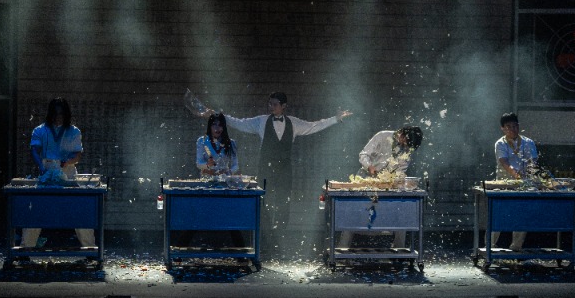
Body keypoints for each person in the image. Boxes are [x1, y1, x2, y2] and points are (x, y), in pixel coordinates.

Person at [199, 91, 352, 254]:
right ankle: (263, 242)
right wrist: (218, 116)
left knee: (283, 205)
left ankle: (280, 242)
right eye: (269, 103)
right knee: (263, 203)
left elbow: (313, 125)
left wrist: (335, 119)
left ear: (283, 106)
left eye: (275, 104)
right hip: (265, 170)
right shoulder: (261, 121)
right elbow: (240, 123)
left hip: (284, 171)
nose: (271, 106)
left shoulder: (294, 123)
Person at [21, 97, 96, 249]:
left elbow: (77, 155)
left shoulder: (73, 131)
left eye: (61, 114)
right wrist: (41, 166)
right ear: (50, 114)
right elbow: (34, 150)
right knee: (35, 209)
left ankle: (89, 248)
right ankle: (26, 248)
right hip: (47, 171)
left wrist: (67, 162)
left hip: (68, 172)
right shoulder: (40, 130)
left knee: (79, 209)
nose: (58, 117)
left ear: (66, 114)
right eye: (55, 113)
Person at [338, 126, 423, 248]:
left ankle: (399, 249)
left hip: (387, 185)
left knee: (401, 214)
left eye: (408, 146)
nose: (405, 146)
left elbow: (401, 169)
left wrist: (397, 179)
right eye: (405, 142)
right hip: (366, 180)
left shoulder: (407, 149)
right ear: (403, 134)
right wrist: (369, 166)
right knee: (353, 213)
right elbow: (364, 154)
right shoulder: (383, 136)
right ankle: (343, 247)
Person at [176, 113, 244, 249]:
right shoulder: (202, 141)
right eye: (214, 125)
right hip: (207, 182)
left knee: (230, 217)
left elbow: (236, 165)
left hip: (224, 184)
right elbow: (198, 163)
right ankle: (180, 248)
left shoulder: (231, 143)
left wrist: (228, 172)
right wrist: (208, 165)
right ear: (209, 126)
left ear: (224, 127)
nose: (217, 128)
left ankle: (241, 252)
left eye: (220, 125)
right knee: (197, 215)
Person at [491, 112, 538, 251]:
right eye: (508, 127)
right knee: (498, 215)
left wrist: (528, 173)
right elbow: (504, 162)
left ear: (519, 126)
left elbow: (533, 162)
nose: (512, 129)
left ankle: (516, 247)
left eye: (515, 126)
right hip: (504, 184)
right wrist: (516, 174)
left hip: (523, 185)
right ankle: (490, 246)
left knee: (521, 215)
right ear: (503, 128)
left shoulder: (528, 142)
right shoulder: (500, 144)